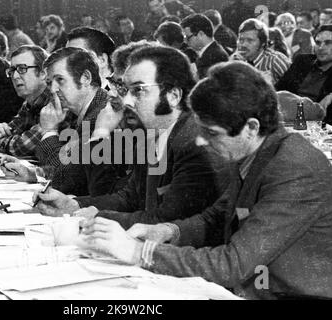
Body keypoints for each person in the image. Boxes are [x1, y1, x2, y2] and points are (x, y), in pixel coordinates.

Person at [79, 61, 332, 300]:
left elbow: (234, 263)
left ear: (251, 127)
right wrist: (169, 231)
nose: (201, 141)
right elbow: (218, 216)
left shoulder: (295, 169)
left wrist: (139, 252)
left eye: (211, 133)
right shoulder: (255, 150)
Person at [33, 46, 228, 230]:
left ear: (173, 95)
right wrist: (73, 205)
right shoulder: (152, 134)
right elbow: (130, 198)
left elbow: (165, 220)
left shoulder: (193, 143)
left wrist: (96, 216)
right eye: (124, 89)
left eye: (138, 90)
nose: (126, 101)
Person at [1, 47, 126, 197]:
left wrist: (49, 131)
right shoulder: (81, 110)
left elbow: (65, 179)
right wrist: (32, 173)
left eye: (60, 80)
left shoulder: (101, 114)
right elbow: (72, 169)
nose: (53, 89)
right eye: (49, 83)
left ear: (86, 78)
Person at [0, 45, 51, 157]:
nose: (15, 76)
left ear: (43, 73)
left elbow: (20, 148)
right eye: (12, 70)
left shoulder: (55, 100)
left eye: (22, 69)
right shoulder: (29, 102)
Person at [276, 24, 332, 125]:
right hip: (288, 120)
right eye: (318, 42)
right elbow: (279, 90)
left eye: (328, 43)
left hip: (318, 127)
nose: (321, 47)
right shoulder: (302, 61)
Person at [233, 19, 291, 85]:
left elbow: (297, 87)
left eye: (250, 40)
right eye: (241, 40)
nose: (243, 44)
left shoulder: (275, 60)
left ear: (262, 43)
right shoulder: (236, 61)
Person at [181, 14, 229, 79]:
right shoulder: (210, 52)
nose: (186, 41)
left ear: (201, 34)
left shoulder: (216, 56)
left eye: (187, 37)